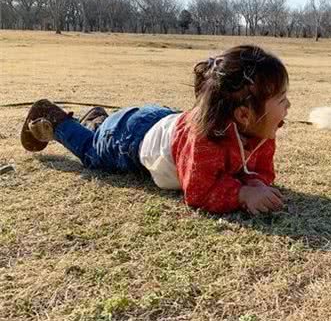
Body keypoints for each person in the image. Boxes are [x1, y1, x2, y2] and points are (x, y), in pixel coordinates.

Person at [20, 45, 290, 215]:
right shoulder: (205, 141)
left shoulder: (261, 130)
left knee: (103, 134)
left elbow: (261, 171)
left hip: (162, 121)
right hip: (131, 140)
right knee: (93, 154)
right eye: (280, 99)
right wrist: (242, 194)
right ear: (243, 114)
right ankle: (53, 118)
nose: (288, 104)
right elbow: (198, 192)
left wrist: (256, 183)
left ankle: (98, 120)